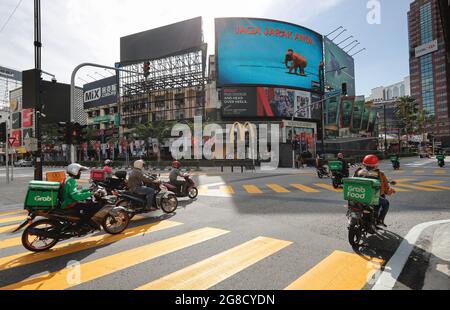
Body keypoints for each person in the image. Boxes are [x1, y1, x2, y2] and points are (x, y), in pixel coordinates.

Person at [354, 155, 396, 227]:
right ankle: (380, 220)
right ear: (376, 165)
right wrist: (391, 191)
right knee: (386, 203)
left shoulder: (358, 172)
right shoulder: (379, 174)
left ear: (364, 164)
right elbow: (385, 189)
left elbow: (354, 181)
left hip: (358, 196)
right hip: (372, 198)